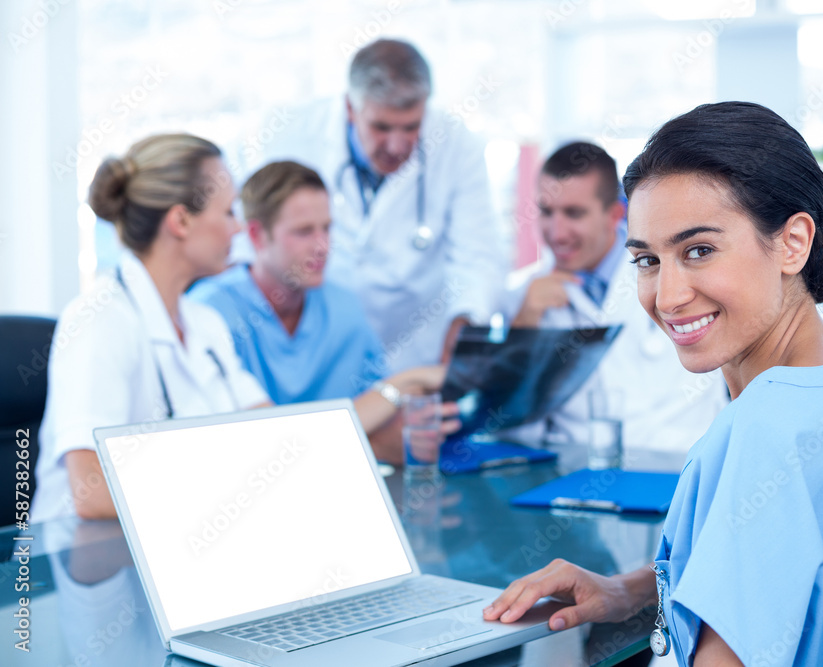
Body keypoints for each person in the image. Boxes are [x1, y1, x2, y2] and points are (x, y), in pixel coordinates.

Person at [484, 102, 823, 666]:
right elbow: (782, 566)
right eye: (647, 259)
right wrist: (628, 590)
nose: (667, 297)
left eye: (699, 251)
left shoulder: (762, 432)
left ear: (793, 242)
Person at [35, 134, 271, 522]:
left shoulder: (205, 323)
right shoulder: (99, 320)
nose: (239, 229)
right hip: (86, 565)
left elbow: (269, 430)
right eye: (229, 212)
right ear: (180, 220)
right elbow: (90, 494)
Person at [253, 38, 508, 374]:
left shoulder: (457, 145)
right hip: (318, 348)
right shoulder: (289, 134)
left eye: (411, 127)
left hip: (418, 353)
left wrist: (467, 319)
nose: (396, 145)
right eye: (381, 127)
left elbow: (477, 257)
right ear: (349, 108)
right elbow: (256, 246)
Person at [190, 160, 456, 463]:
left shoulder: (344, 308)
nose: (322, 246)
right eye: (304, 232)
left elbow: (384, 415)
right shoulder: (210, 313)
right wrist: (375, 438)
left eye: (327, 229)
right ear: (257, 235)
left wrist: (412, 429)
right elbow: (241, 449)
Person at [505, 141, 726, 455]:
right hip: (574, 475)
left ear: (615, 214)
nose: (557, 231)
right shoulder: (525, 295)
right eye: (546, 211)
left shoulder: (680, 273)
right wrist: (524, 326)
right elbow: (511, 427)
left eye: (573, 213)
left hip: (678, 468)